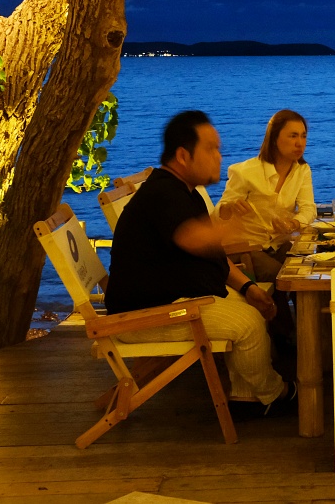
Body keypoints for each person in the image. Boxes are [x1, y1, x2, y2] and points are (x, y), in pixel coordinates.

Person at [106, 110, 294, 414]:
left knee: (251, 307)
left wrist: (247, 288)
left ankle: (247, 398)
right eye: (211, 149)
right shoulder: (162, 194)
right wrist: (234, 224)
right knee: (249, 325)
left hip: (173, 299)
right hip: (143, 315)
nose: (219, 156)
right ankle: (275, 394)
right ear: (183, 155)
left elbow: (213, 253)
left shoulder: (185, 192)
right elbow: (194, 238)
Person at [215, 109, 317, 282]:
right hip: (245, 250)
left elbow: (309, 208)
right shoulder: (245, 172)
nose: (300, 143)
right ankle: (279, 309)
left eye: (303, 136)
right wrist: (230, 207)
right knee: (282, 276)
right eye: (293, 136)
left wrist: (292, 223)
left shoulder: (302, 171)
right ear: (274, 138)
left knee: (309, 269)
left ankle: (312, 308)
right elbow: (219, 214)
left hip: (276, 245)